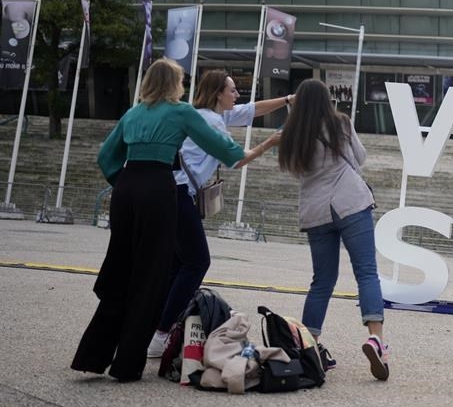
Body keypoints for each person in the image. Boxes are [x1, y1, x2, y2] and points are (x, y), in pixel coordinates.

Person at [71, 59, 260, 382]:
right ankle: (127, 363)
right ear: (175, 83)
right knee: (152, 275)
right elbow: (227, 151)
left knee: (120, 270)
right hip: (159, 189)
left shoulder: (133, 113)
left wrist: (127, 183)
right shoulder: (180, 111)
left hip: (127, 188)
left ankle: (92, 354)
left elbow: (106, 157)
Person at [145, 70, 288, 359]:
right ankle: (161, 334)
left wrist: (286, 99)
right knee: (198, 262)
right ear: (218, 93)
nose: (237, 96)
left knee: (176, 265)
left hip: (166, 192)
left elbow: (251, 110)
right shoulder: (211, 121)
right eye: (232, 90)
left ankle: (154, 328)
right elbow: (236, 158)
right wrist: (270, 143)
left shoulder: (208, 114)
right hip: (180, 194)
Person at [277, 79, 389, 381]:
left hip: (316, 212)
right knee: (366, 272)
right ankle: (375, 339)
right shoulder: (339, 122)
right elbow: (360, 158)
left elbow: (295, 170)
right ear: (327, 100)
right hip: (350, 203)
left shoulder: (294, 131)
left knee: (322, 281)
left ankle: (308, 346)